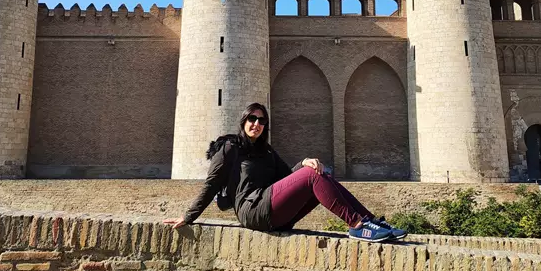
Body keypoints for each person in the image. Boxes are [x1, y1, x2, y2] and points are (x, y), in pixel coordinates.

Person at [164, 102, 405, 242]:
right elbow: (211, 185)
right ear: (243, 121)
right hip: (252, 210)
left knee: (320, 172)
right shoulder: (230, 147)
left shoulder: (266, 151)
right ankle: (356, 225)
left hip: (273, 210)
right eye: (252, 118)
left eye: (261, 120)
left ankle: (371, 222)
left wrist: (305, 162)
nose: (256, 124)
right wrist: (188, 217)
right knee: (313, 176)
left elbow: (287, 178)